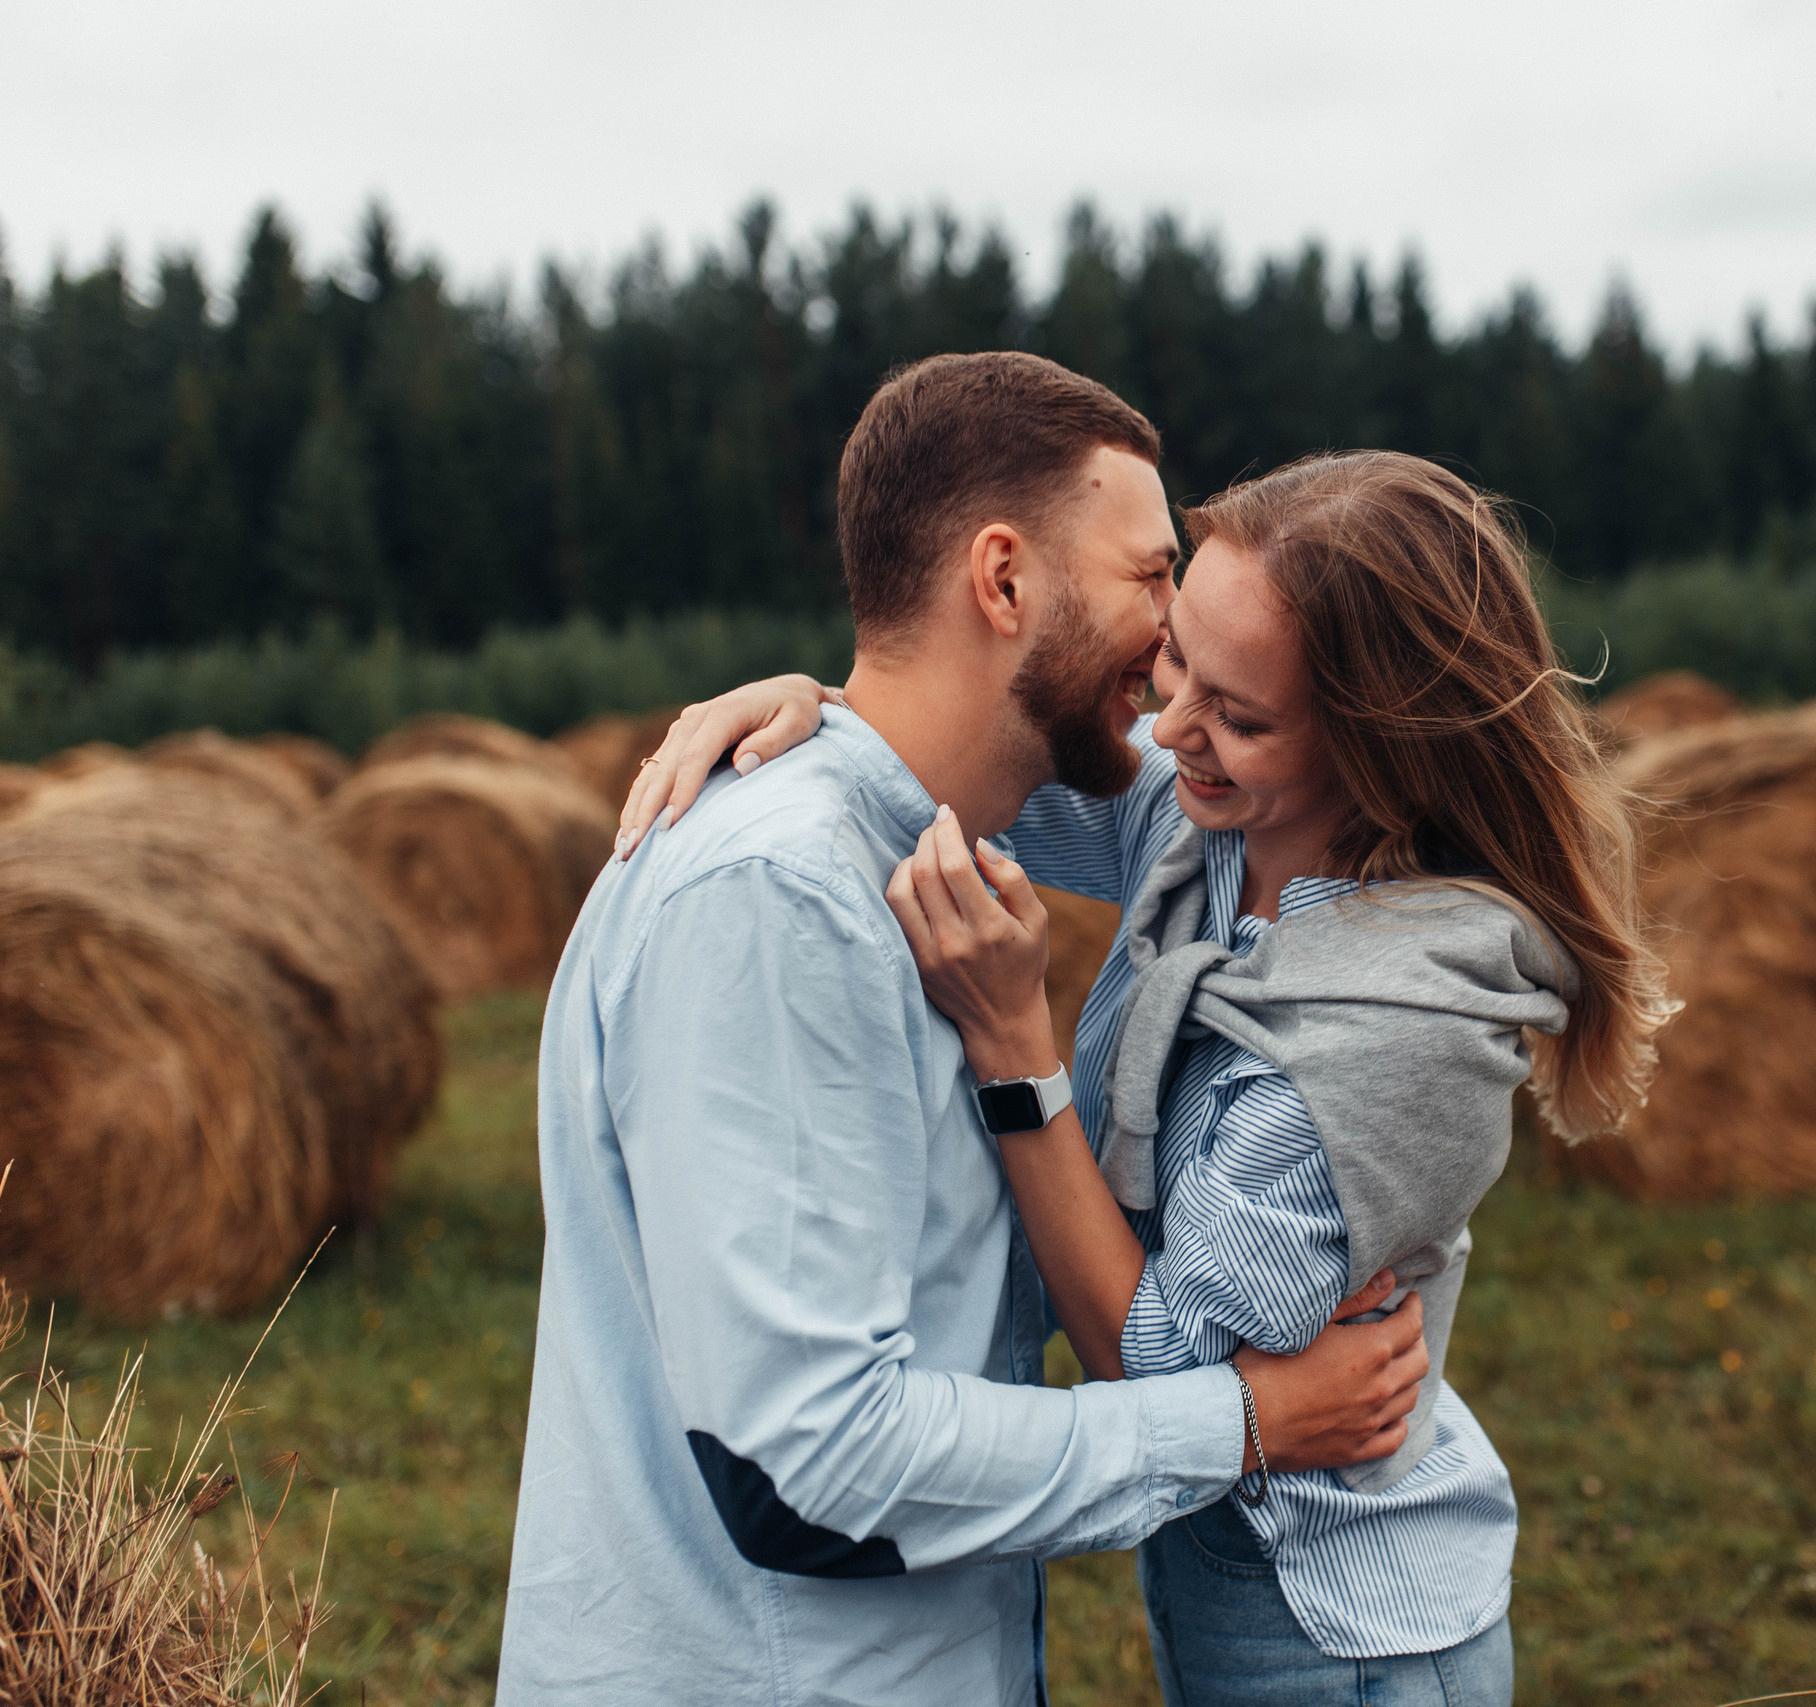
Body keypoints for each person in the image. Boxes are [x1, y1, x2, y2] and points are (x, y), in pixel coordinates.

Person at [626, 450, 1672, 1704]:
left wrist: (1017, 1049)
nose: (1169, 736)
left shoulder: (1395, 1032)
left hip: (1337, 1628)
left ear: (1383, 748)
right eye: (1178, 664)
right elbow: (960, 768)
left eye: (1239, 716)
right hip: (1223, 1556)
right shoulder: (1214, 819)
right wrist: (827, 703)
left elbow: (1167, 1372)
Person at [497, 354, 1432, 1707]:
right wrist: (1245, 1420)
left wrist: (824, 696)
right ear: (1003, 581)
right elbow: (809, 1462)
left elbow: (1304, 789)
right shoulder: (776, 895)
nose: (1177, 643)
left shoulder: (911, 839)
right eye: (1150, 575)